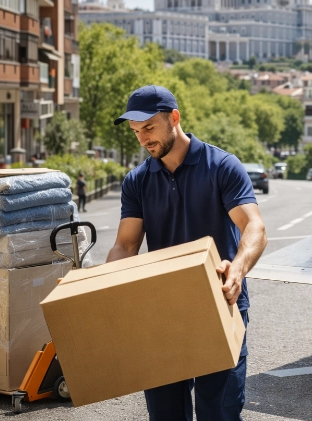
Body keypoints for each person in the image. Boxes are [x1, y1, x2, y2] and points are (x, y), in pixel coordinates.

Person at [106, 85, 268, 421]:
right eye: (136, 132)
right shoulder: (136, 181)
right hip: (161, 312)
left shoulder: (222, 166)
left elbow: (255, 227)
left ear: (174, 118)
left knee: (218, 415)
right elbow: (125, 245)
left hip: (219, 302)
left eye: (148, 128)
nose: (143, 139)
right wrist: (105, 289)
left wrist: (236, 271)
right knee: (165, 416)